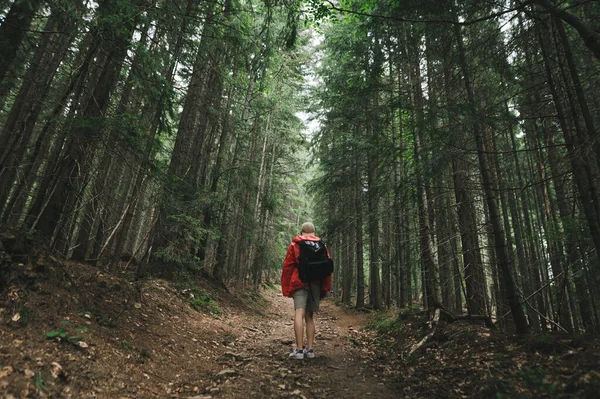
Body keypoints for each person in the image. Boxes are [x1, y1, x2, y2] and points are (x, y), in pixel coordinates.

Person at [281, 222, 332, 359]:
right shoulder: (322, 245)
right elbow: (327, 269)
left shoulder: (295, 245)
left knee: (299, 313)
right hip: (315, 284)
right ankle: (310, 350)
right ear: (314, 232)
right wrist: (325, 288)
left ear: (302, 231)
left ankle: (298, 351)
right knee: (310, 317)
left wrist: (287, 288)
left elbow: (288, 267)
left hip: (299, 282)